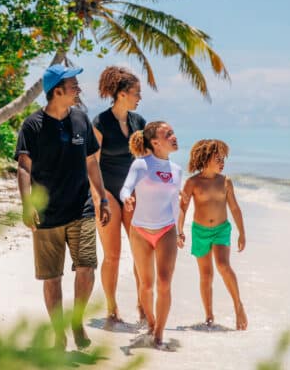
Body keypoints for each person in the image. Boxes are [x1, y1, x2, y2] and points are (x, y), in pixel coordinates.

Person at [15, 63, 111, 350]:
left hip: (81, 208)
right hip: (46, 213)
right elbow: (23, 167)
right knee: (52, 277)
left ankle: (77, 321)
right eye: (73, 85)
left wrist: (102, 197)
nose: (79, 89)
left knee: (87, 268)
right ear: (57, 91)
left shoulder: (82, 120)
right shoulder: (32, 125)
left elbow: (92, 162)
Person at [120, 121, 183, 349]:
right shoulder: (141, 165)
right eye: (168, 134)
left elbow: (175, 203)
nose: (174, 136)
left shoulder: (177, 170)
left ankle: (158, 334)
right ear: (155, 142)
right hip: (140, 231)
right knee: (146, 285)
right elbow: (126, 187)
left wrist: (179, 230)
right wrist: (126, 198)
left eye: (173, 132)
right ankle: (151, 322)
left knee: (164, 283)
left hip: (167, 229)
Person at [92, 66, 146, 327]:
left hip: (132, 193)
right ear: (123, 94)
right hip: (106, 192)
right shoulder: (100, 123)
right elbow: (91, 164)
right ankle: (112, 307)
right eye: (137, 92)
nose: (139, 97)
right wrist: (100, 199)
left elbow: (148, 161)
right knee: (112, 255)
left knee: (140, 253)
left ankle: (142, 304)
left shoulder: (139, 122)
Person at [178, 139, 248, 330]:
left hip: (221, 230)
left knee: (223, 266)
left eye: (223, 159)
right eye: (218, 158)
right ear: (206, 158)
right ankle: (209, 316)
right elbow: (182, 208)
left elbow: (234, 208)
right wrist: (179, 230)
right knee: (206, 275)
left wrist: (242, 232)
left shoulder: (225, 181)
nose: (222, 162)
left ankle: (238, 306)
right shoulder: (192, 182)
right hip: (200, 231)